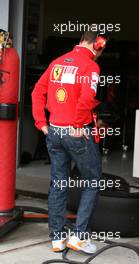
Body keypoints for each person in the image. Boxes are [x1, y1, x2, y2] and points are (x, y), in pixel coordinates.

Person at [32, 27, 108, 254]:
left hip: (53, 131)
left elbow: (37, 91)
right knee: (93, 178)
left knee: (59, 183)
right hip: (76, 132)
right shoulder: (91, 66)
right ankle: (79, 237)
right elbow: (87, 98)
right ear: (98, 44)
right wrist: (77, 125)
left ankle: (57, 239)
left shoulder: (57, 62)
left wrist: (41, 124)